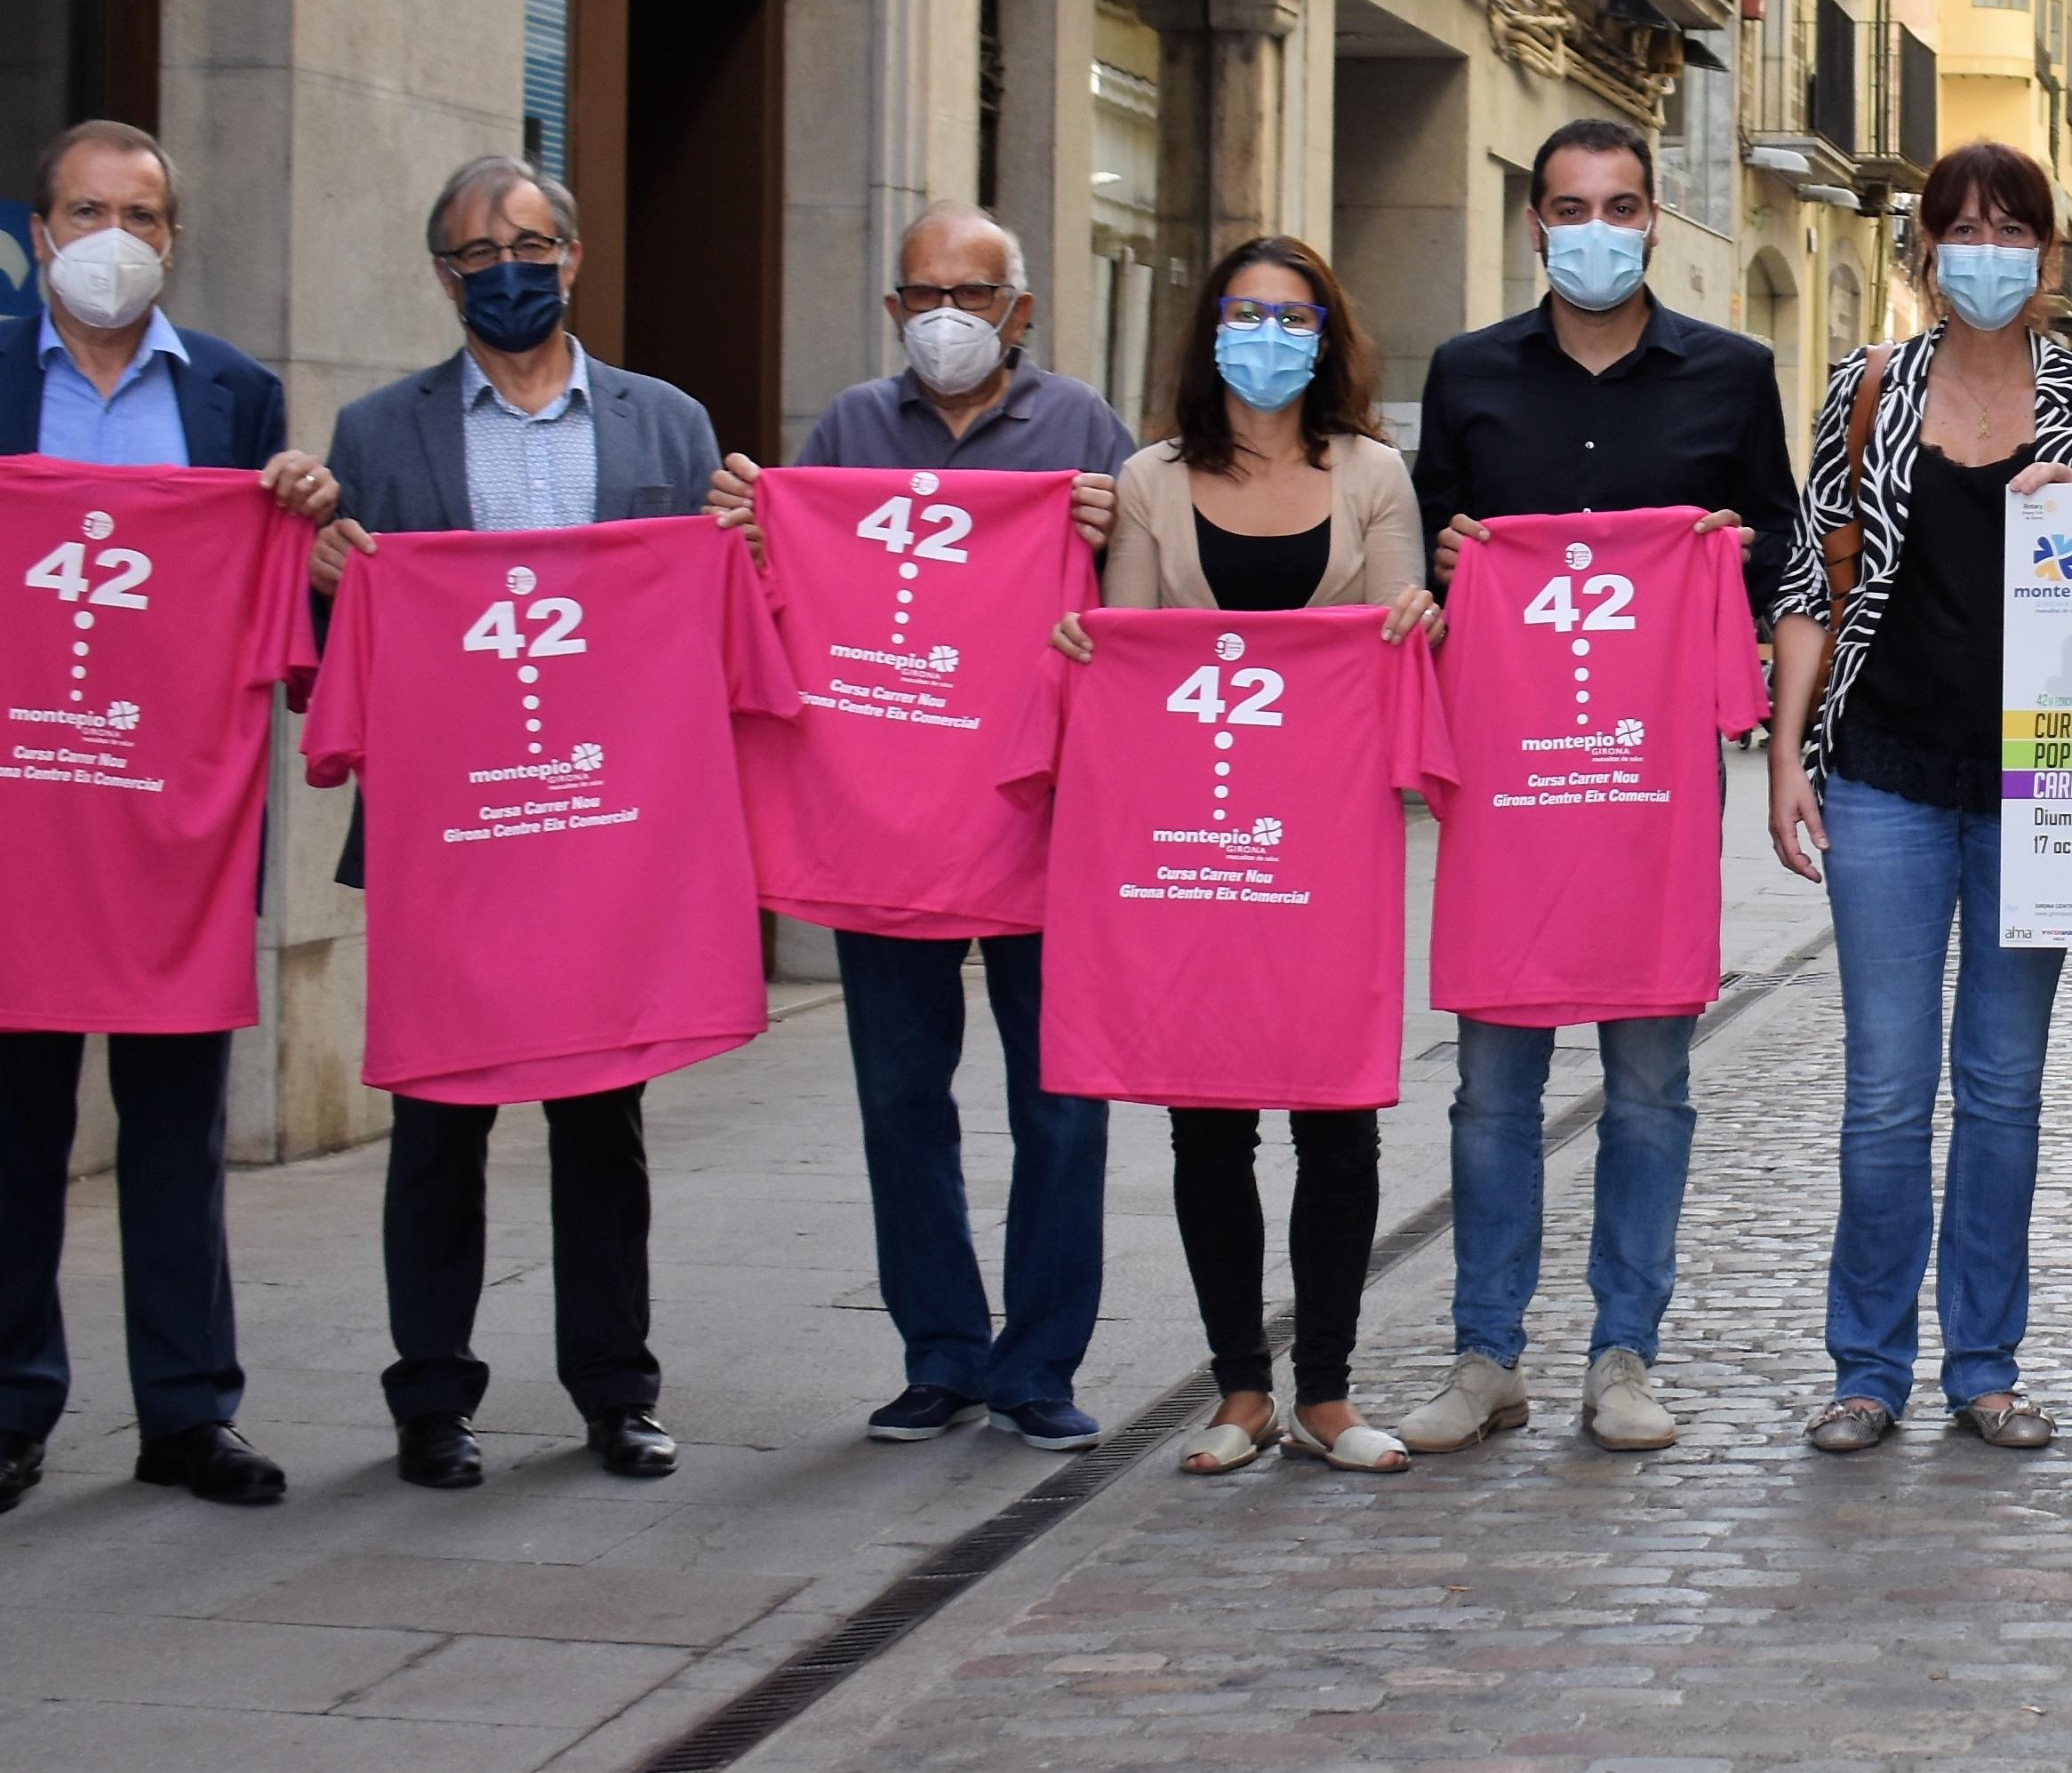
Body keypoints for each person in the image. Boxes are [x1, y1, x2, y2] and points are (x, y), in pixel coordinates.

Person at [310, 158, 721, 1487]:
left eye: (533, 242)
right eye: (481, 248)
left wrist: (757, 542)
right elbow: (347, 650)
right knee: (439, 1129)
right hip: (452, 846)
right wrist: (322, 578)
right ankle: (432, 1399)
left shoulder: (668, 428)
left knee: (604, 1125)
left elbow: (702, 630)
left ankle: (616, 1391)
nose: (510, 266)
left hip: (604, 842)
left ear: (577, 257)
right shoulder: (376, 435)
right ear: (443, 275)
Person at [698, 204, 1132, 1458]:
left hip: (1040, 818)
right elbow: (785, 596)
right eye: (924, 293)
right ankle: (938, 1356)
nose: (950, 316)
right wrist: (749, 530)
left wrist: (1113, 542)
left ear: (1023, 310)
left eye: (975, 293)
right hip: (880, 825)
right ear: (894, 311)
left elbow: (1140, 607)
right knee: (900, 1101)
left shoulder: (1085, 432)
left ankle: (1040, 1365)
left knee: (1060, 1104)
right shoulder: (846, 430)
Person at [1396, 118, 1792, 1459]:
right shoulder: (1465, 375)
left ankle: (1625, 1353)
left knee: (1647, 1088)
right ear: (1533, 226)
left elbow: (1783, 547)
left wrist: (1726, 558)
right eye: (1571, 207)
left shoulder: (1732, 377)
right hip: (1508, 794)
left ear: (1652, 225)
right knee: (1491, 1092)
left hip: (1646, 799)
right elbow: (1425, 563)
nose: (1597, 228)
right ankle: (1482, 1354)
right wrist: (1451, 558)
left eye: (1622, 205)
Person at [1769, 144, 2072, 1453]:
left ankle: (1983, 1363)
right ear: (1925, 251)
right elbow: (1813, 580)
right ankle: (1865, 1368)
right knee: (1884, 1085)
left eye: (2012, 231)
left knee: (2001, 1083)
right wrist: (1784, 758)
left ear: (2045, 255)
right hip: (1883, 774)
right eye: (1962, 231)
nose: (1986, 253)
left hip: (2041, 788)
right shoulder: (1865, 389)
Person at [0, 123, 340, 1515]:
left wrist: (308, 518)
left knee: (178, 1132)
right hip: (21, 822)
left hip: (175, 829)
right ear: (37, 234)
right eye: (87, 211)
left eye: (142, 215)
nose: (113, 239)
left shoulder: (235, 399)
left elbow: (289, 594)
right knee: (14, 1135)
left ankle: (189, 1416)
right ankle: (14, 1408)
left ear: (175, 241)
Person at [1084, 237, 1432, 1475]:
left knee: (1337, 1120)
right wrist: (1089, 649)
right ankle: (1240, 1388)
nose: (1271, 337)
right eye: (1248, 313)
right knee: (1208, 1123)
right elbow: (1126, 655)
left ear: (1328, 336)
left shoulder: (1376, 475)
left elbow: (1403, 650)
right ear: (1211, 332)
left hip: (1329, 845)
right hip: (1196, 844)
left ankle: (1328, 1391)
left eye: (1295, 317)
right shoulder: (1146, 482)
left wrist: (1416, 624)